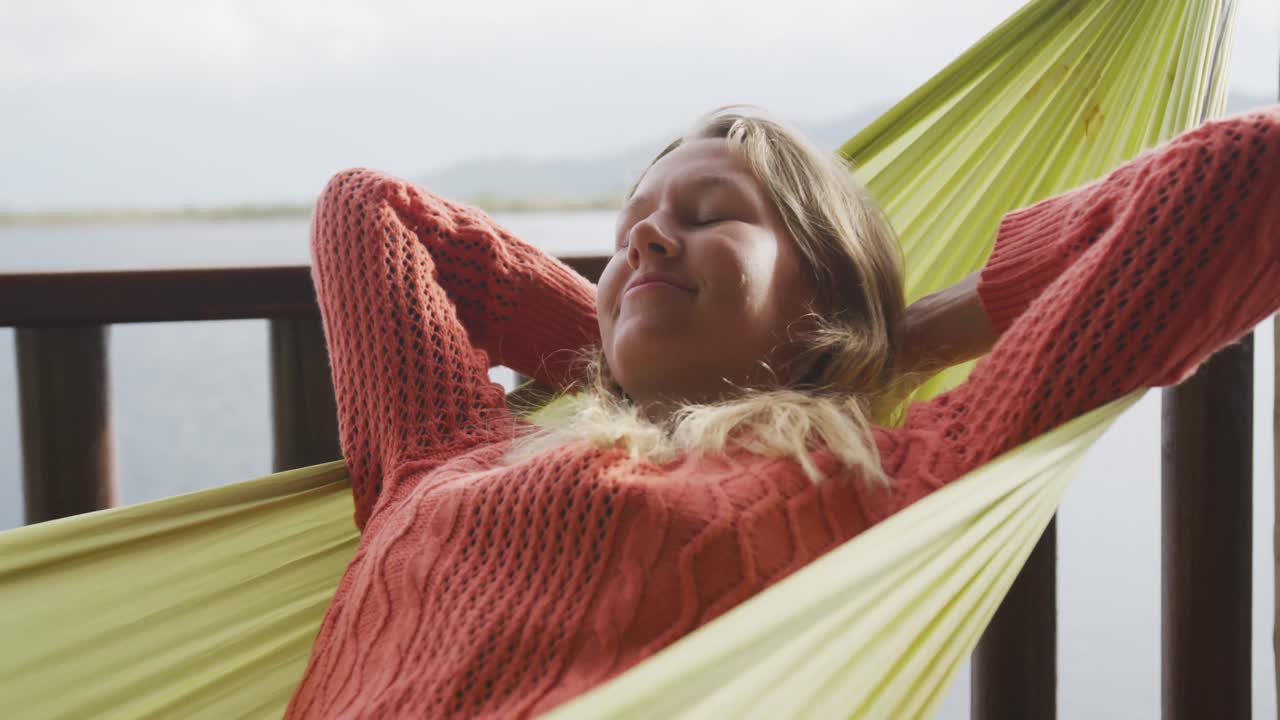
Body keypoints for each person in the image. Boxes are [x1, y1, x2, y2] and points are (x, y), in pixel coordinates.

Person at [285, 104, 1280, 718]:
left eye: (709, 216)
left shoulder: (877, 482)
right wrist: (622, 339)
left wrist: (891, 343)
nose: (647, 243)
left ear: (825, 300)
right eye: (629, 231)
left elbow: (1247, 170)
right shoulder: (439, 449)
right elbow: (367, 209)